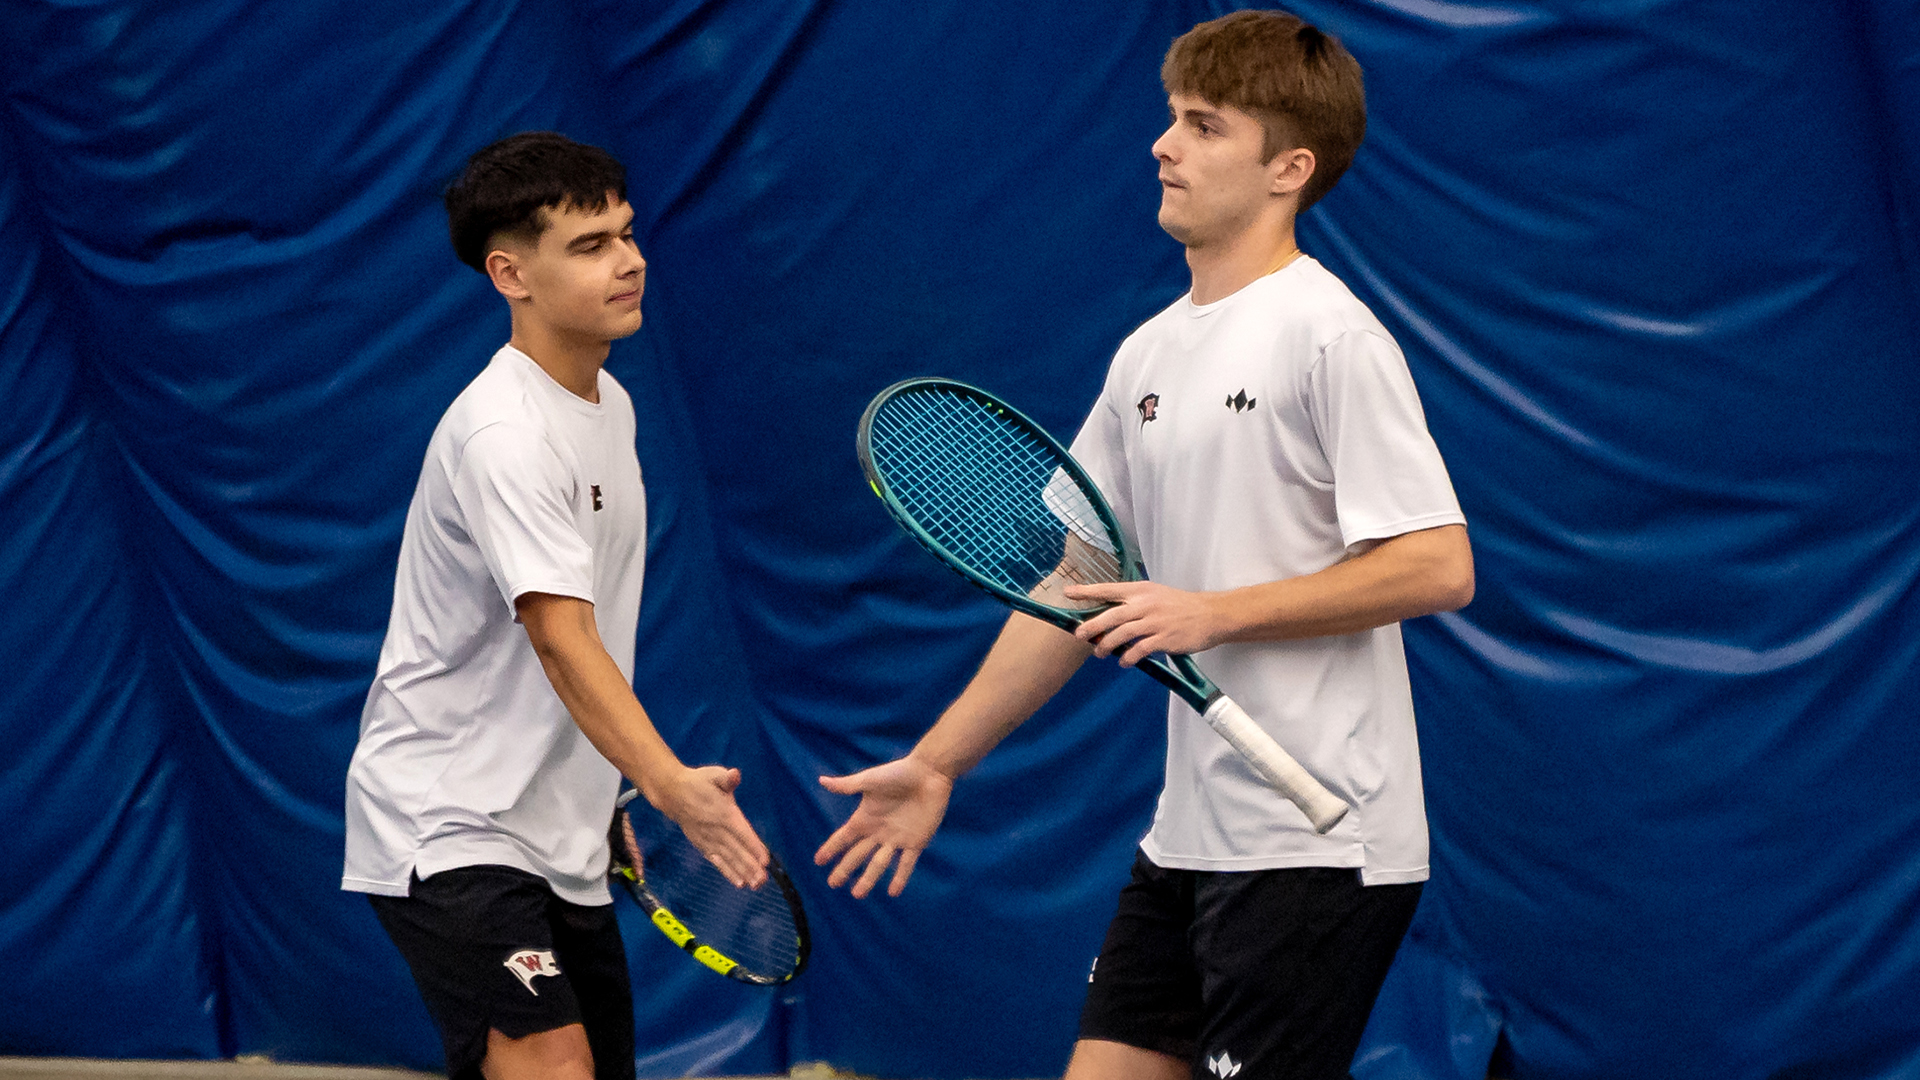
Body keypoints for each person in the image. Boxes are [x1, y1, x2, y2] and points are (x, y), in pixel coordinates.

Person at [814, 12, 1474, 1079]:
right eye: (1172, 118)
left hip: (1318, 845)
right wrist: (939, 762)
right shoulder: (1147, 354)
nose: (1164, 145)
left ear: (1287, 169)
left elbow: (1438, 564)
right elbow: (1079, 587)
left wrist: (1217, 611)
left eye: (1205, 127)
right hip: (1189, 836)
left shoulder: (1331, 335)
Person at [342, 131, 769, 1080]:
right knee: (553, 1065)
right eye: (590, 245)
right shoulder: (506, 436)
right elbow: (561, 640)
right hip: (447, 823)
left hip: (558, 839)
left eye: (625, 232)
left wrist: (600, 789)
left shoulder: (608, 407)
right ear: (510, 274)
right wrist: (663, 781)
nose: (630, 260)